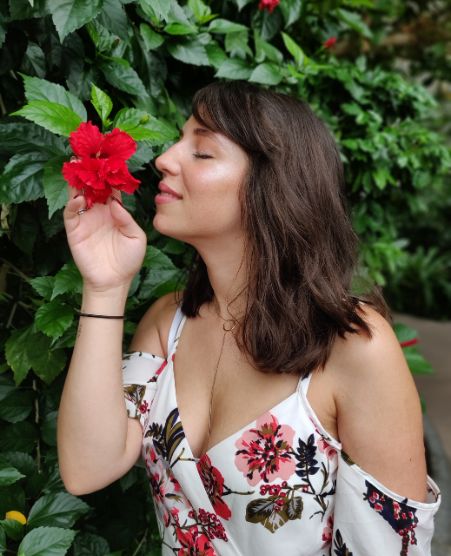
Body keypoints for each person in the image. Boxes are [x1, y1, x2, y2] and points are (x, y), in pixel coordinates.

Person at [58, 81, 440, 556]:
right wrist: (105, 285)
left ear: (271, 184)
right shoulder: (167, 324)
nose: (165, 158)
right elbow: (86, 468)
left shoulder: (354, 348)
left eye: (202, 152)